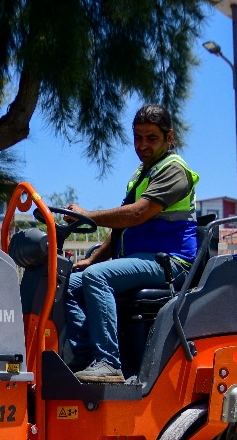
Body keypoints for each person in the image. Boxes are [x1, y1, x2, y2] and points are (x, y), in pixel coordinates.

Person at [62, 104, 199, 382]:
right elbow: (121, 230)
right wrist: (91, 260)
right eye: (138, 138)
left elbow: (137, 214)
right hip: (145, 260)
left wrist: (88, 215)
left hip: (170, 263)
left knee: (97, 279)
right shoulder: (141, 175)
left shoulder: (174, 170)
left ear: (168, 137)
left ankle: (109, 362)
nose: (143, 145)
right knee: (69, 283)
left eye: (151, 138)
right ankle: (85, 359)